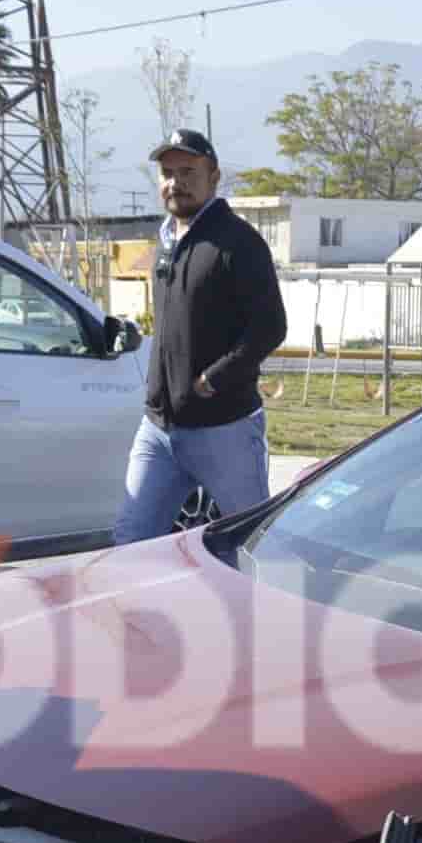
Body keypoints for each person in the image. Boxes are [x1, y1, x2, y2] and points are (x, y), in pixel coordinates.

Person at [113, 127, 287, 543]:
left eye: (189, 171)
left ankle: (260, 609)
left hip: (223, 429)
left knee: (248, 543)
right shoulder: (166, 239)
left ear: (214, 176)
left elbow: (270, 326)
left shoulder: (238, 242)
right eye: (168, 173)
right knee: (131, 539)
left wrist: (212, 380)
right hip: (159, 429)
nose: (177, 182)